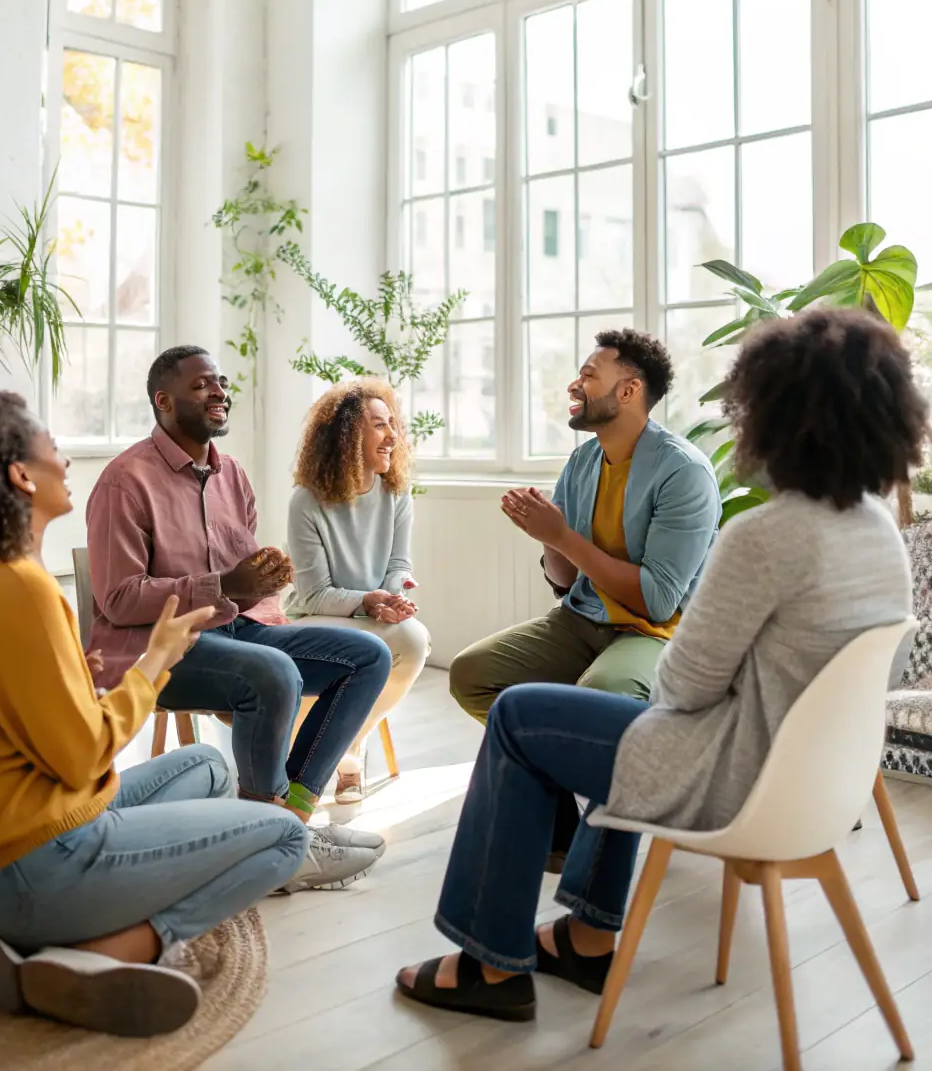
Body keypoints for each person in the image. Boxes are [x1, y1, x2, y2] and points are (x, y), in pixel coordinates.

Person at [394, 307, 924, 1021]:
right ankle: (587, 934)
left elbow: (680, 684)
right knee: (597, 711)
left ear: (776, 412)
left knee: (526, 714)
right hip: (818, 784)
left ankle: (489, 965)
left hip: (732, 777)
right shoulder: (881, 536)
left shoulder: (764, 535)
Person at [0, 392, 310, 1038]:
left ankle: (40, 943)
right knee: (286, 836)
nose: (65, 458)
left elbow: (21, 724)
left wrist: (81, 682)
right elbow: (80, 755)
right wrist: (153, 663)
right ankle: (96, 955)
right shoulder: (25, 587)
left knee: (207, 763)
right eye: (50, 446)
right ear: (20, 475)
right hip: (19, 867)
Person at [85, 346, 392, 892]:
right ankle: (271, 845)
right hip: (157, 651)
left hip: (234, 630)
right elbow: (118, 599)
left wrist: (265, 584)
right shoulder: (124, 481)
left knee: (367, 656)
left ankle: (286, 823)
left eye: (221, 382)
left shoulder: (233, 477)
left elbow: (245, 586)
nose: (220, 392)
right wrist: (227, 586)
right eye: (202, 385)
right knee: (271, 672)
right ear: (163, 400)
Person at [449, 328, 720, 863]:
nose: (576, 383)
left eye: (590, 374)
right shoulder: (582, 463)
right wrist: (546, 539)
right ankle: (560, 825)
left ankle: (612, 835)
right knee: (471, 674)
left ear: (628, 391)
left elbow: (659, 601)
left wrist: (561, 536)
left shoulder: (682, 472)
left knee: (598, 695)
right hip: (584, 619)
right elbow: (567, 581)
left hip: (657, 632)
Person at [285, 380, 430, 803]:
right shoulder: (306, 501)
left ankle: (348, 745)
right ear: (347, 435)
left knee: (413, 639)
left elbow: (398, 564)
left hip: (370, 614)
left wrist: (392, 595)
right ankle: (342, 754)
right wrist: (368, 602)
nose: (392, 436)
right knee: (382, 648)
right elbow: (312, 595)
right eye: (378, 426)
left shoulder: (396, 492)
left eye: (393, 425)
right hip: (314, 617)